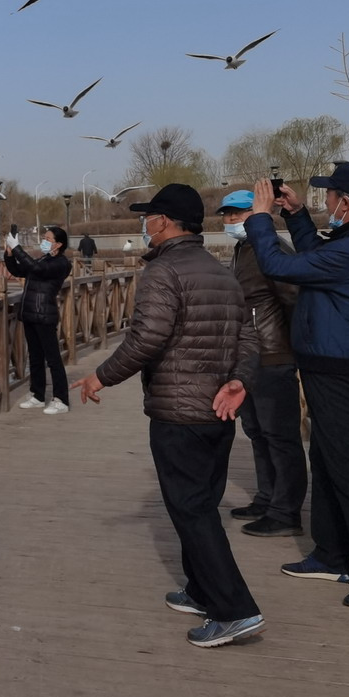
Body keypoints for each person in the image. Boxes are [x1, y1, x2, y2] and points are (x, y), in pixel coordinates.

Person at [76, 184, 263, 649]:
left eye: (149, 217)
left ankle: (234, 610)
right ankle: (201, 589)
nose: (145, 225)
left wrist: (100, 377)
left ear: (163, 222)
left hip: (180, 412)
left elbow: (146, 339)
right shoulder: (221, 272)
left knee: (192, 510)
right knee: (200, 503)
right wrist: (240, 379)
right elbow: (249, 338)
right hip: (218, 409)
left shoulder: (163, 273)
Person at [243, 165, 349, 609]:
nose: (325, 202)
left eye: (329, 196)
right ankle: (332, 555)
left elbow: (279, 264)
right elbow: (314, 259)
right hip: (328, 363)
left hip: (338, 368)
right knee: (328, 460)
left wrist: (260, 217)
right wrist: (295, 216)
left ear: (346, 203)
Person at [217, 190, 306, 537]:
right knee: (257, 432)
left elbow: (294, 299)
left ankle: (286, 511)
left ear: (259, 214)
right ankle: (267, 497)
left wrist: (292, 347)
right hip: (250, 358)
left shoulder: (273, 250)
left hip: (273, 354)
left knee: (280, 436)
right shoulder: (245, 250)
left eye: (238, 214)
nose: (230, 221)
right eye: (226, 215)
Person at [3, 224, 73, 414]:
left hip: (45, 314)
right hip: (30, 313)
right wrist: (10, 253)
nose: (44, 241)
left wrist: (18, 247)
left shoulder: (60, 264)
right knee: (34, 357)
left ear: (58, 244)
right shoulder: (44, 259)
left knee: (53, 359)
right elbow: (19, 270)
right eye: (44, 238)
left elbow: (34, 268)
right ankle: (38, 395)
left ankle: (61, 399)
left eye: (48, 239)